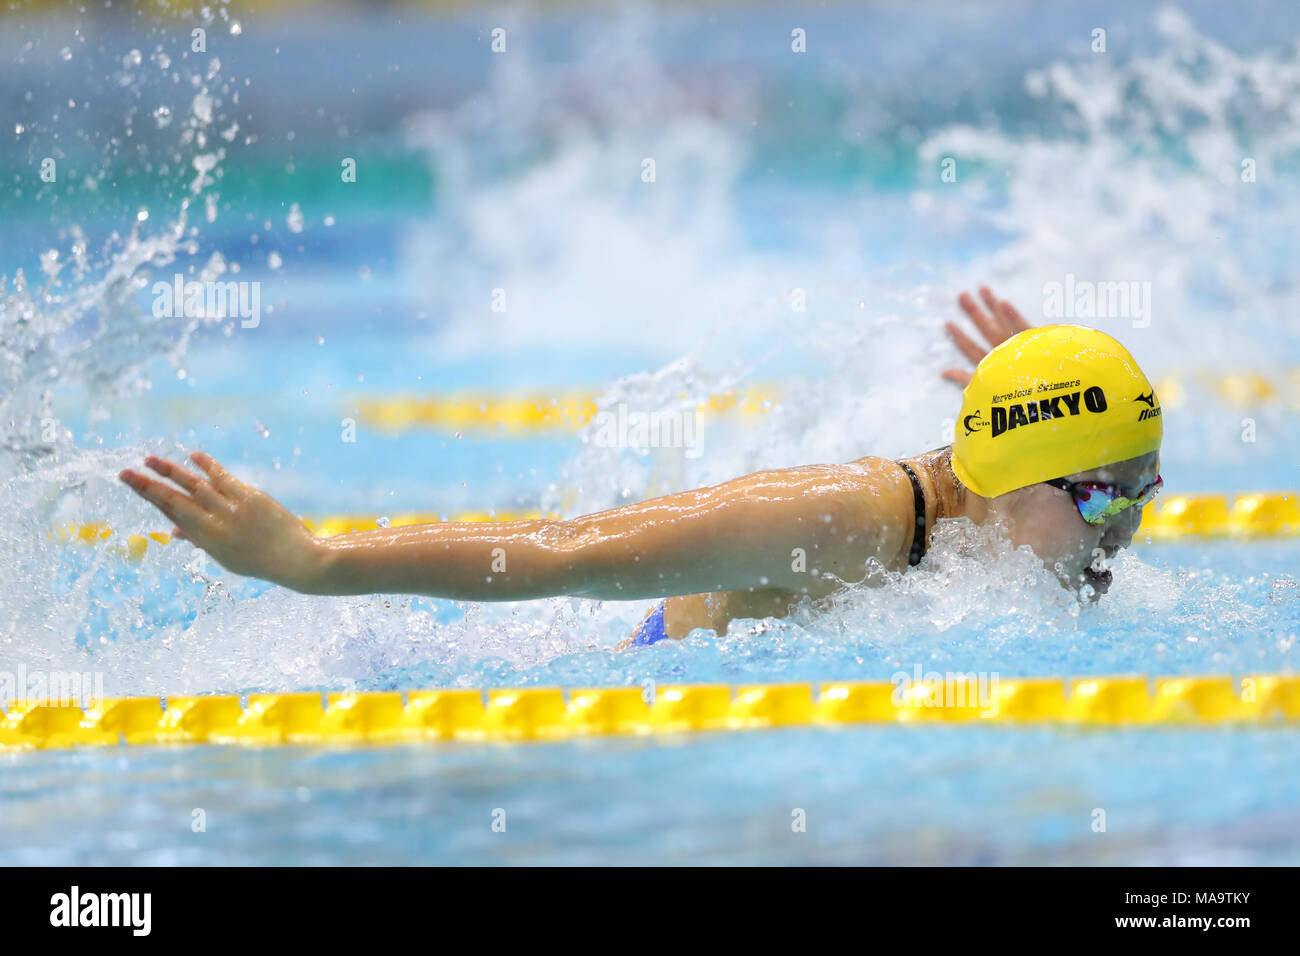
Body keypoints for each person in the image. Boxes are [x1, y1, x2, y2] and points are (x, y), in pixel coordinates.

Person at [119, 287, 1163, 647]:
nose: (1124, 531)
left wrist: (1055, 412)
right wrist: (313, 556)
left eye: (1138, 493)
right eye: (1103, 498)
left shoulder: (1014, 511)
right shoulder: (848, 516)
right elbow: (562, 549)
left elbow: (1044, 473)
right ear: (1012, 475)